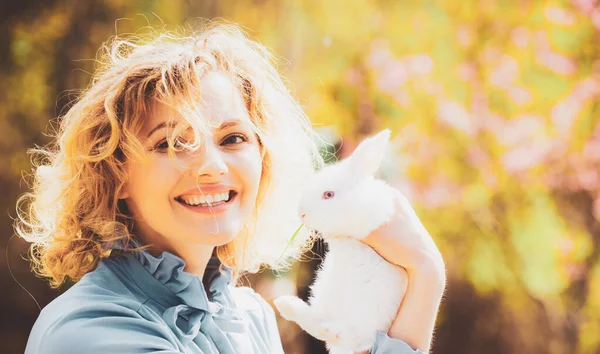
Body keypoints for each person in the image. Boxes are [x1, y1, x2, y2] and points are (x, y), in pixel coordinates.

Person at [15, 22, 446, 354]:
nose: (211, 166)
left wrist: (425, 273)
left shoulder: (249, 318)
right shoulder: (93, 331)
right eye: (170, 143)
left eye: (232, 138)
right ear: (116, 173)